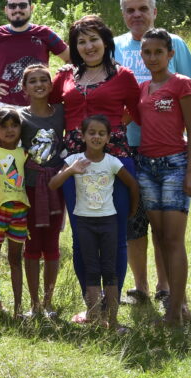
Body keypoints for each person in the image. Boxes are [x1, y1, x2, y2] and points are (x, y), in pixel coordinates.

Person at [113, 0, 191, 309]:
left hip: (170, 150)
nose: (136, 15)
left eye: (142, 9)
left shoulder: (174, 43)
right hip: (129, 149)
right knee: (135, 223)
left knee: (166, 227)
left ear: (154, 12)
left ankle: (168, 288)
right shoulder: (115, 46)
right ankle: (141, 287)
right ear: (123, 14)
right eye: (130, 10)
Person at [50, 15, 140, 314]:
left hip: (115, 160)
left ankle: (111, 310)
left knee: (116, 235)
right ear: (75, 47)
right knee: (81, 234)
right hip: (75, 162)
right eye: (81, 41)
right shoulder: (64, 77)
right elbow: (45, 106)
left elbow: (140, 113)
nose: (88, 46)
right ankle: (91, 308)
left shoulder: (124, 76)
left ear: (105, 42)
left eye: (93, 39)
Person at [131, 29, 191, 326]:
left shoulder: (181, 84)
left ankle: (175, 309)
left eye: (158, 52)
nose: (152, 57)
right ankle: (175, 301)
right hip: (146, 166)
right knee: (159, 236)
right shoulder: (143, 88)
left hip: (175, 165)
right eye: (147, 52)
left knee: (174, 239)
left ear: (170, 54)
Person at [51, 115, 140, 331]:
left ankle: (113, 321)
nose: (96, 137)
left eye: (102, 133)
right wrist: (71, 170)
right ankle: (96, 320)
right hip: (83, 222)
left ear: (109, 137)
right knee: (91, 269)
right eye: (92, 133)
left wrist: (133, 210)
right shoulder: (74, 159)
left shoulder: (112, 162)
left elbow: (132, 185)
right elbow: (53, 184)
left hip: (109, 222)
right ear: (82, 136)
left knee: (110, 271)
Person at [18, 64, 65, 320]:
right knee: (32, 244)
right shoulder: (20, 117)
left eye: (43, 80)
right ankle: (34, 303)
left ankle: (48, 302)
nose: (39, 85)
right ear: (24, 88)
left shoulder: (61, 113)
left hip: (56, 186)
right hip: (30, 188)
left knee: (52, 245)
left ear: (51, 85)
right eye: (32, 81)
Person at [0, 0, 69, 105]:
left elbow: (70, 58)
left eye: (22, 5)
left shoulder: (45, 33)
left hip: (40, 106)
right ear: (6, 10)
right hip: (5, 107)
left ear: (31, 8)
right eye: (12, 6)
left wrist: (57, 83)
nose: (17, 9)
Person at [0, 106, 30, 318]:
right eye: (3, 127)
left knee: (15, 259)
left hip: (19, 211)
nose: (9, 130)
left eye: (14, 125)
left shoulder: (24, 152)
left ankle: (18, 308)